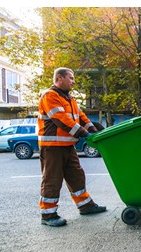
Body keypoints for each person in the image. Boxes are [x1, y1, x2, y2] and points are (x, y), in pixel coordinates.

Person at [38, 67, 106, 227]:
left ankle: (85, 205)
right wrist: (83, 133)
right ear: (59, 78)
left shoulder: (70, 98)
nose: (74, 81)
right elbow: (61, 120)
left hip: (68, 146)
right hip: (52, 147)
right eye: (71, 78)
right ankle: (48, 215)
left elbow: (81, 117)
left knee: (77, 176)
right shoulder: (50, 96)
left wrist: (92, 130)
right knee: (52, 180)